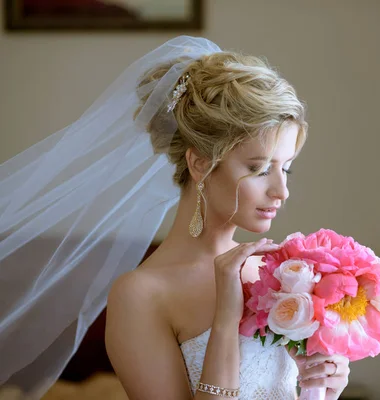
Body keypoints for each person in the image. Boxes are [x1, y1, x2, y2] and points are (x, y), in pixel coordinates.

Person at [0, 37, 349, 399]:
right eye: (260, 169)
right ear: (199, 163)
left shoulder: (280, 270)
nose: (281, 191)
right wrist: (225, 321)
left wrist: (324, 385)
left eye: (286, 170)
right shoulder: (140, 295)